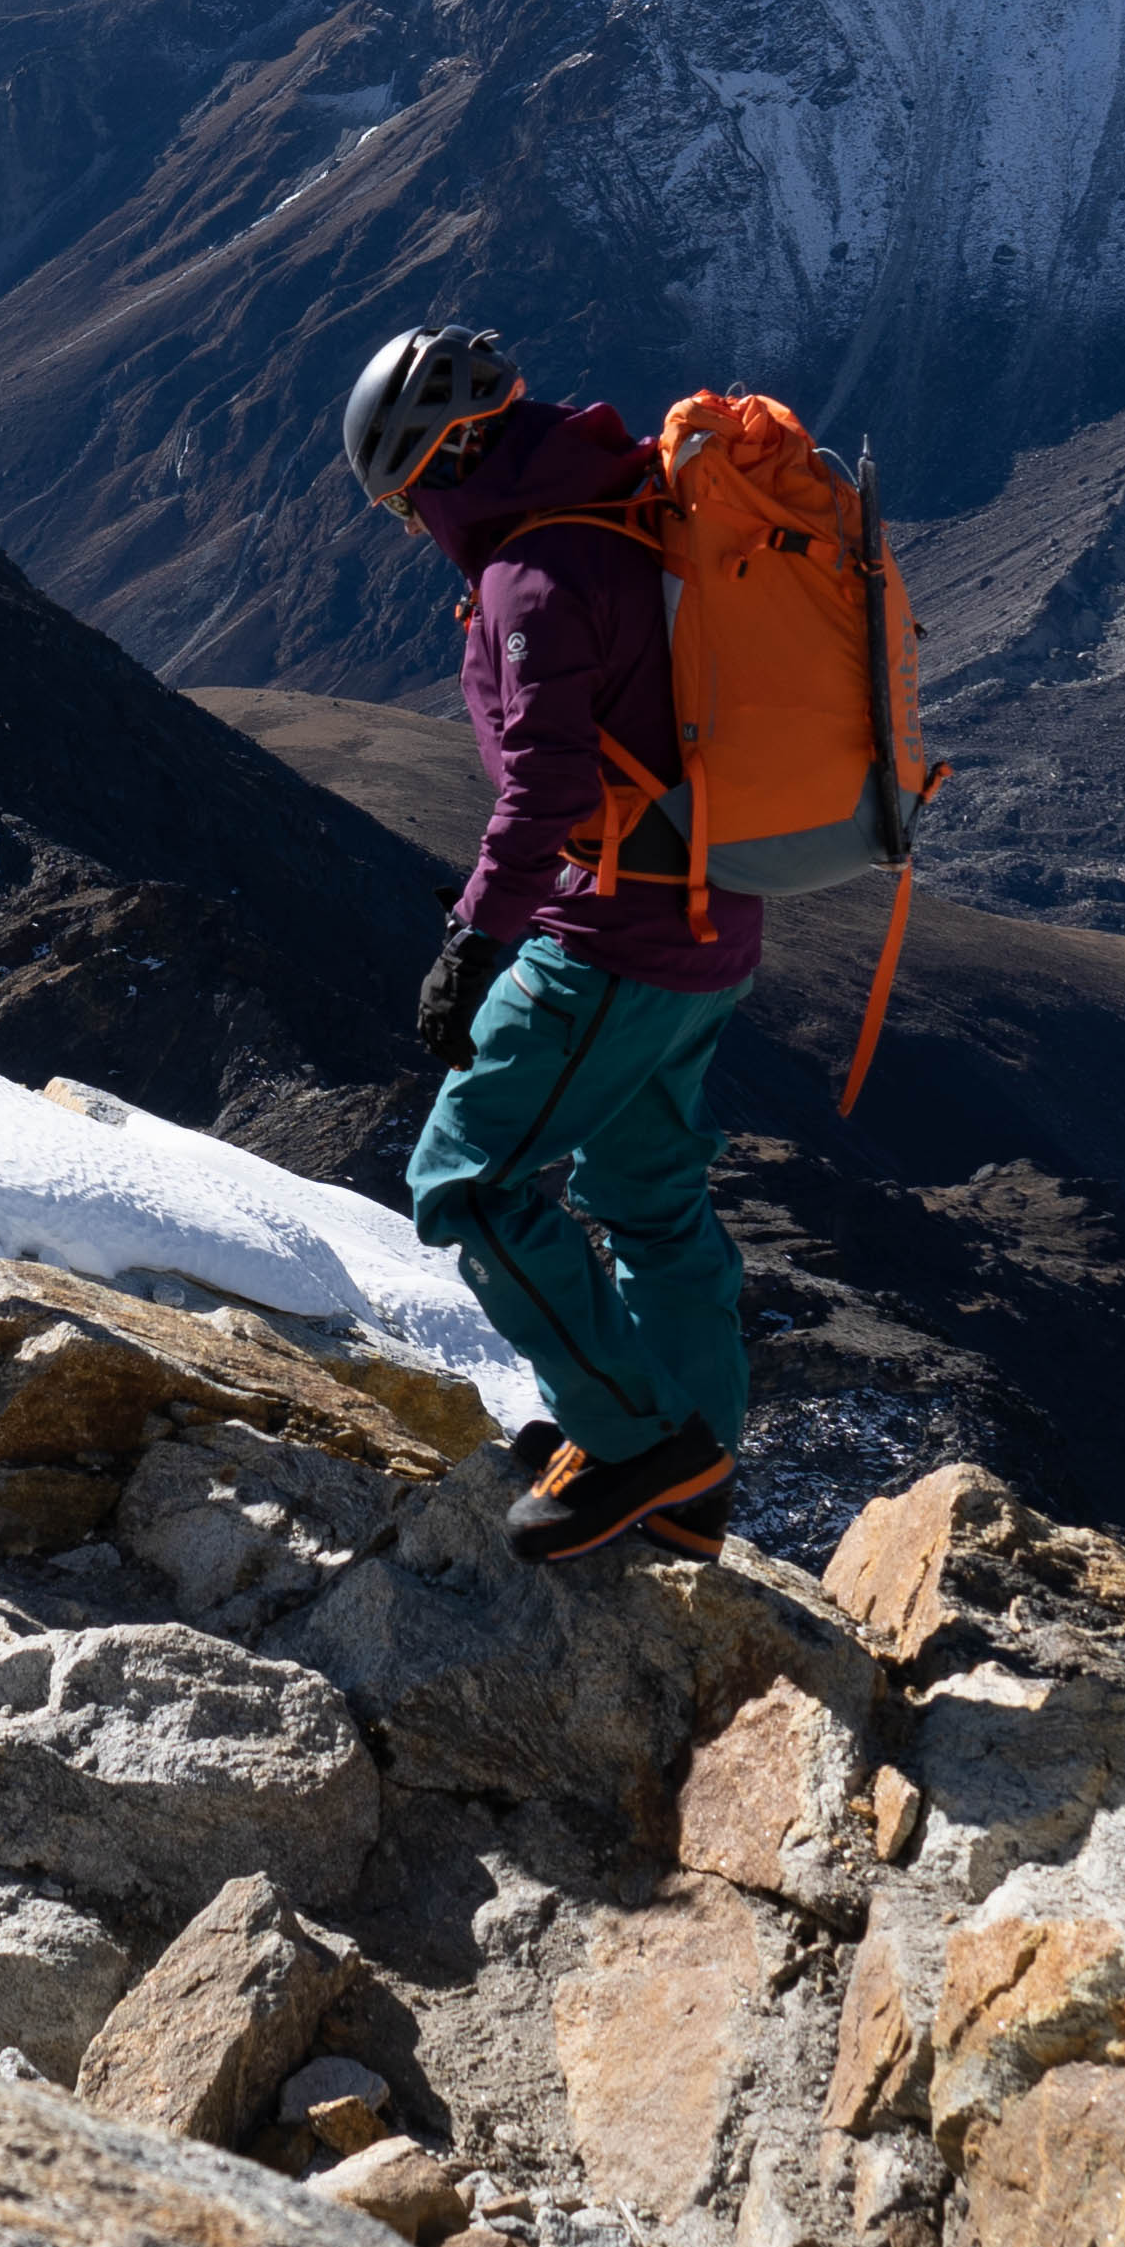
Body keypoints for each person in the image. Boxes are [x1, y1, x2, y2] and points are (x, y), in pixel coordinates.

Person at [344, 324, 762, 1561]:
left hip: (611, 936)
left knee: (463, 1180)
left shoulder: (533, 575)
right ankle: (694, 1470)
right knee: (648, 1191)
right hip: (711, 918)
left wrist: (477, 936)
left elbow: (540, 786)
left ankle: (635, 1438)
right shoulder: (631, 510)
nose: (413, 522)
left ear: (448, 455)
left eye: (409, 492)